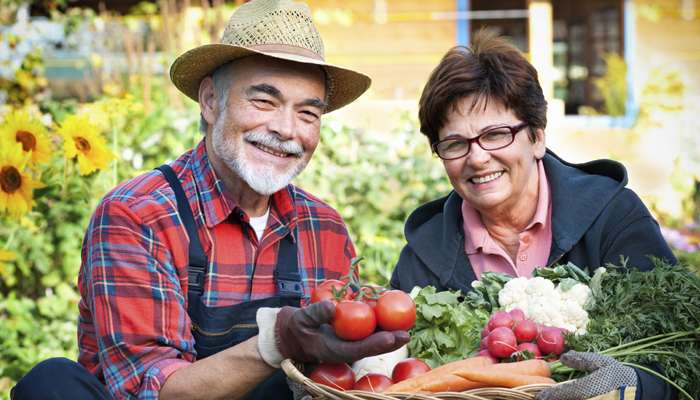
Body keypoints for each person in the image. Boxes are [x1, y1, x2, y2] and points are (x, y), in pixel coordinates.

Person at [11, 1, 409, 399]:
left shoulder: (323, 226)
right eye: (264, 101)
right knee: (51, 383)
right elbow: (149, 389)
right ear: (210, 100)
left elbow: (332, 379)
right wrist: (278, 342)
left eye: (308, 113)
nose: (287, 129)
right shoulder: (137, 215)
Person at [390, 31, 677, 400]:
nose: (477, 158)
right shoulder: (421, 260)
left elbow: (679, 353)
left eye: (496, 135)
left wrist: (635, 387)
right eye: (455, 144)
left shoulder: (614, 218)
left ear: (537, 137)